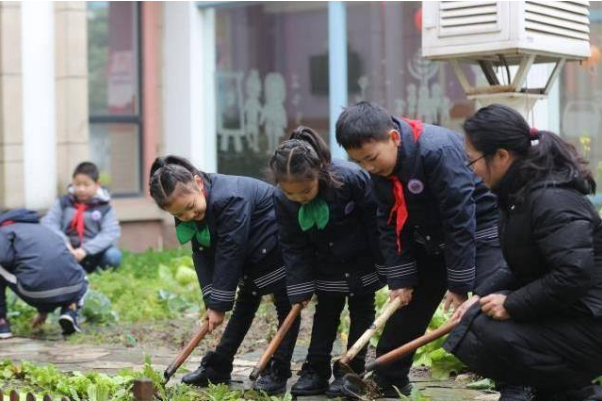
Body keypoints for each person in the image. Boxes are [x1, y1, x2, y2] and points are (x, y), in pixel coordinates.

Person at [335, 101, 504, 398]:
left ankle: (516, 383)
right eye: (359, 163)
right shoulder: (380, 169)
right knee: (406, 307)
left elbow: (460, 218)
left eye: (372, 158)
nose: (369, 168)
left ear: (394, 138)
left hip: (479, 230)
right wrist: (400, 280)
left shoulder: (436, 151)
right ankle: (387, 380)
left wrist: (460, 284)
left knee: (492, 302)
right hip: (428, 235)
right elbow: (386, 221)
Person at [445, 104, 602, 401]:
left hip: (591, 320)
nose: (472, 171)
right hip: (572, 313)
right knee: (475, 322)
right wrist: (480, 296)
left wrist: (512, 304)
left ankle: (577, 391)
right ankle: (559, 391)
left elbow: (573, 274)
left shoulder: (552, 199)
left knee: (488, 334)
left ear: (501, 156)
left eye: (472, 161)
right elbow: (520, 265)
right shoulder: (518, 195)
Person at [149, 155, 299, 395]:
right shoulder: (192, 206)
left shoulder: (230, 198)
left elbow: (231, 250)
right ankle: (218, 366)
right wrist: (212, 301)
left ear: (198, 183)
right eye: (179, 215)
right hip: (251, 250)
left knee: (286, 308)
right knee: (245, 302)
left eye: (189, 208)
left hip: (276, 244)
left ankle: (278, 371)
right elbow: (202, 253)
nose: (188, 216)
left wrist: (218, 304)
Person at [269, 126, 384, 398]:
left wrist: (386, 264)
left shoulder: (352, 179)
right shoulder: (280, 199)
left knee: (362, 311)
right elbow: (292, 244)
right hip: (324, 262)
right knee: (326, 313)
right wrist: (299, 286)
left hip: (360, 259)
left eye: (305, 191)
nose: (299, 199)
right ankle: (315, 370)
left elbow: (374, 222)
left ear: (320, 171)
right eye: (292, 195)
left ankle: (351, 370)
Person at [0, 209, 88, 338]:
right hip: (72, 288)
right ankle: (70, 311)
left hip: (34, 292)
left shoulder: (4, 231)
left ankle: (2, 323)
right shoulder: (45, 229)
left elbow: (3, 258)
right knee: (81, 277)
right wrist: (44, 311)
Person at [42, 162, 122, 273]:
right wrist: (64, 243)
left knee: (113, 256)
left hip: (94, 253)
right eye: (77, 184)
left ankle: (99, 273)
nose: (81, 189)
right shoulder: (64, 202)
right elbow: (49, 223)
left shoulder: (105, 207)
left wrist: (85, 250)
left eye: (86, 185)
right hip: (67, 251)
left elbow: (111, 233)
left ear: (97, 184)